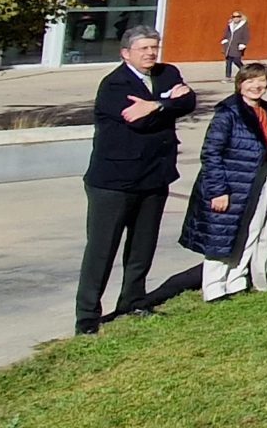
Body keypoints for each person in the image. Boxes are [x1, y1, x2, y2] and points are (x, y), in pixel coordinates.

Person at [76, 27, 197, 333]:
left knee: (142, 247)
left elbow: (188, 102)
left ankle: (133, 300)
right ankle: (88, 316)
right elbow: (138, 121)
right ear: (126, 53)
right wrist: (166, 103)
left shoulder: (168, 73)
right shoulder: (114, 84)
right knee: (102, 250)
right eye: (143, 48)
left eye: (154, 47)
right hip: (114, 182)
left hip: (154, 177)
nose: (150, 53)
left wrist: (157, 103)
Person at [181, 62, 267, 301]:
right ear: (240, 84)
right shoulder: (228, 113)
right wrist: (218, 190)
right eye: (250, 81)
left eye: (261, 81)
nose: (256, 86)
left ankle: (236, 281)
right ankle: (214, 287)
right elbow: (211, 153)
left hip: (259, 179)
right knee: (222, 235)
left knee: (253, 230)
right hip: (231, 182)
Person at [220, 11, 251, 79]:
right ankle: (228, 77)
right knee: (228, 62)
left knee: (236, 60)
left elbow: (246, 36)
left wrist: (243, 44)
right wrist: (224, 40)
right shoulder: (230, 25)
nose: (235, 18)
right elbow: (226, 33)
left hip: (237, 46)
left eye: (237, 16)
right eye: (234, 17)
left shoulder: (244, 26)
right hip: (229, 46)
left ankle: (245, 71)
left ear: (240, 17)